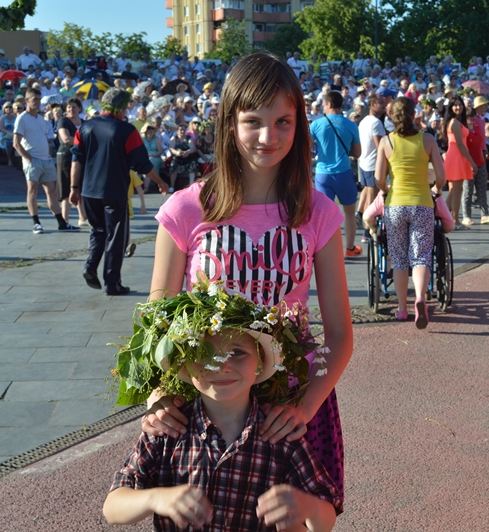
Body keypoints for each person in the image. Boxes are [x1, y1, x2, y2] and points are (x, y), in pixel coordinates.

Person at [139, 52, 352, 507]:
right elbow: (156, 326)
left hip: (290, 405)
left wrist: (303, 407)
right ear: (229, 123)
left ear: (299, 125)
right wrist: (158, 393)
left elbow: (338, 335)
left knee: (295, 518)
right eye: (253, 121)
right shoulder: (185, 209)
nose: (268, 136)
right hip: (207, 398)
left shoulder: (319, 211)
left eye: (283, 122)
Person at [104, 287, 341, 531]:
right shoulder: (169, 430)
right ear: (184, 366)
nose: (222, 366)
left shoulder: (279, 434)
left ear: (261, 362)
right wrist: (155, 498)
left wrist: (308, 507)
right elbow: (112, 507)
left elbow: (326, 517)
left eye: (237, 352)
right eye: (204, 353)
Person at [69, 88, 169, 295]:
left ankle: (90, 266)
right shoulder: (126, 130)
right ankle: (112, 283)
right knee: (115, 236)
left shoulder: (85, 127)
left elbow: (76, 160)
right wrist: (160, 182)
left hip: (89, 191)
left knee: (97, 231)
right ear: (121, 108)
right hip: (114, 191)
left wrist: (74, 188)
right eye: (125, 108)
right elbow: (142, 163)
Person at [374, 97, 446, 328]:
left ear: (391, 117)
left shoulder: (386, 141)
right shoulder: (427, 139)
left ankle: (402, 308)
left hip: (395, 204)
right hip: (422, 203)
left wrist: (386, 190)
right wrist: (436, 189)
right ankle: (420, 299)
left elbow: (378, 178)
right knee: (421, 256)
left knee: (398, 258)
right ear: (414, 115)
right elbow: (441, 177)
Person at [13, 88, 78, 234]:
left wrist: (47, 154)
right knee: (32, 191)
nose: (37, 102)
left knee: (52, 191)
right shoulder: (22, 118)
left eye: (38, 99)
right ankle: (36, 223)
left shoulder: (41, 119)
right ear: (27, 100)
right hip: (33, 159)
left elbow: (45, 138)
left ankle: (61, 222)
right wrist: (29, 158)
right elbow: (16, 143)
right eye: (34, 99)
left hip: (45, 159)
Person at [309, 90, 362, 256]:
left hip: (323, 173)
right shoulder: (351, 125)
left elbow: (307, 147)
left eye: (324, 104)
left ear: (329, 104)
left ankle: (325, 251)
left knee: (324, 215)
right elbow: (358, 153)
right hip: (343, 172)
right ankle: (350, 248)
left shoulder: (316, 124)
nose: (323, 107)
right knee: (349, 213)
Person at [442, 95, 477, 227]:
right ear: (451, 107)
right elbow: (460, 144)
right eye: (455, 105)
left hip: (456, 156)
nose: (458, 107)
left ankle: (444, 218)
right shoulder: (455, 123)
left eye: (460, 104)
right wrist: (471, 162)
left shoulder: (455, 122)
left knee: (454, 191)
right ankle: (455, 220)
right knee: (457, 190)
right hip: (457, 156)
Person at [356, 93, 386, 243]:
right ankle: (367, 232)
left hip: (364, 162)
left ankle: (361, 215)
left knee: (368, 195)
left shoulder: (364, 121)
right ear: (373, 104)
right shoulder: (376, 122)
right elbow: (381, 146)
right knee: (373, 200)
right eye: (381, 103)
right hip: (373, 164)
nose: (383, 106)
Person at [462, 95, 489, 226]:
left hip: (480, 161)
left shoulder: (477, 128)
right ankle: (466, 216)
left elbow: (481, 142)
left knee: (481, 190)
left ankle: (484, 214)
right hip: (468, 163)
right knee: (467, 192)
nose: (472, 118)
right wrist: (469, 163)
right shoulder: (463, 131)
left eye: (473, 116)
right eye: (469, 116)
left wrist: (484, 152)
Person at [56, 98, 87, 227]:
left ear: (79, 108)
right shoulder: (63, 121)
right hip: (66, 156)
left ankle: (82, 217)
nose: (71, 109)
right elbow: (66, 139)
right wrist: (84, 142)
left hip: (81, 157)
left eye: (74, 107)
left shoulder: (84, 123)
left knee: (81, 187)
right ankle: (65, 220)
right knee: (66, 187)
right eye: (69, 107)